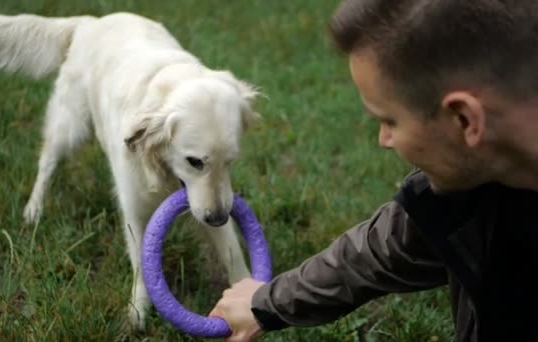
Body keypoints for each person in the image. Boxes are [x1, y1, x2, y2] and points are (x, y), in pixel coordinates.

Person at [208, 1, 538, 341]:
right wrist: (268, 303)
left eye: (389, 120)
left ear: (464, 118)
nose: (384, 140)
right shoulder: (472, 186)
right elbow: (390, 246)